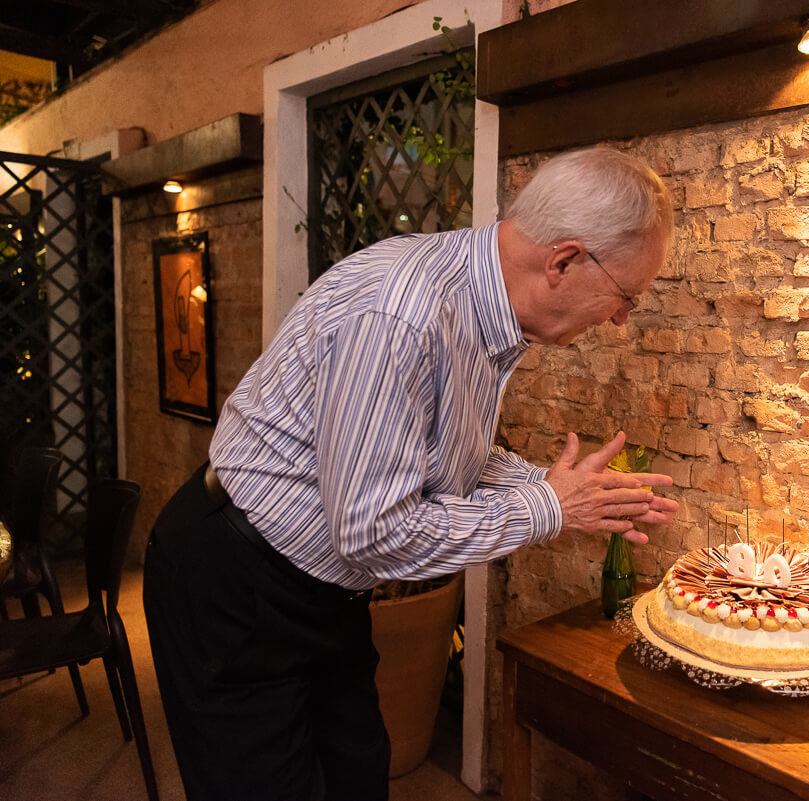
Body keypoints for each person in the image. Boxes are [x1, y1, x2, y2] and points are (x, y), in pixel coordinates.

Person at [143, 147, 680, 801]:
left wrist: (550, 487)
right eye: (627, 296)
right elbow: (374, 529)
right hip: (236, 579)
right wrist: (547, 508)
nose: (621, 320)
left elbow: (436, 451)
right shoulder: (404, 312)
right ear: (564, 260)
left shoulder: (478, 303)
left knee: (359, 772)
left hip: (321, 589)